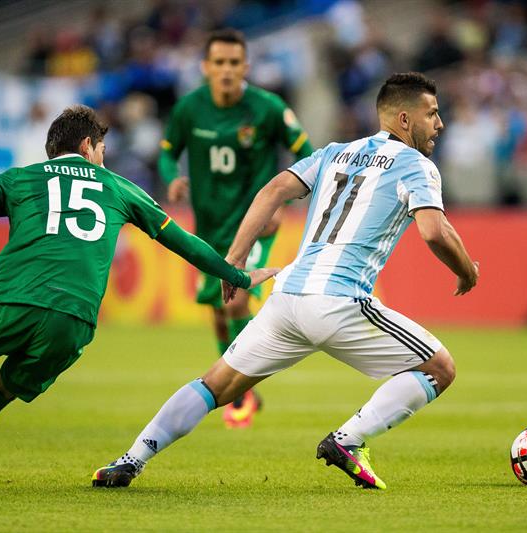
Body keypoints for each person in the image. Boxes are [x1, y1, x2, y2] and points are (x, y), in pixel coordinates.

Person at [0, 105, 277, 494]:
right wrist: (236, 275)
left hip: (13, 300)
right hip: (74, 321)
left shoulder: (19, 178)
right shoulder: (121, 189)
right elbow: (184, 242)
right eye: (103, 148)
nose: (104, 157)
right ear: (88, 145)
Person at [92, 72, 479, 490]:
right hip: (339, 300)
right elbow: (435, 231)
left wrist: (235, 261)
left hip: (288, 296)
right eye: (432, 114)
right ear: (404, 120)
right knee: (439, 368)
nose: (439, 124)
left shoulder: (335, 153)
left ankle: (131, 459)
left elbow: (272, 190)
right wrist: (466, 270)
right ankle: (349, 440)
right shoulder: (418, 164)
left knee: (215, 384)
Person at [158, 28, 313, 427]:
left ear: (245, 66)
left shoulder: (268, 108)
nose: (226, 70)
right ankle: (238, 387)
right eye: (219, 63)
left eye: (233, 63)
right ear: (205, 67)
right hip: (208, 224)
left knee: (238, 298)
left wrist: (286, 198)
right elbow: (167, 152)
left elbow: (307, 153)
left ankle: (238, 391)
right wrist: (171, 177)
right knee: (218, 308)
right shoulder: (189, 109)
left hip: (255, 223)